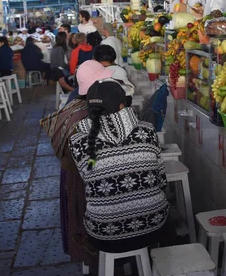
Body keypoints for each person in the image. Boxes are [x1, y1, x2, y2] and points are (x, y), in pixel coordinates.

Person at [69, 80, 169, 253]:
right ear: (122, 105)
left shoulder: (78, 141)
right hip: (154, 226)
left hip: (104, 234)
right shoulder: (147, 130)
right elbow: (161, 180)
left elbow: (90, 180)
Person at [38, 62, 115, 269]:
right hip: (82, 176)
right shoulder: (88, 113)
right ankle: (100, 260)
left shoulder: (76, 104)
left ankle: (94, 261)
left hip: (73, 172)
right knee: (89, 220)